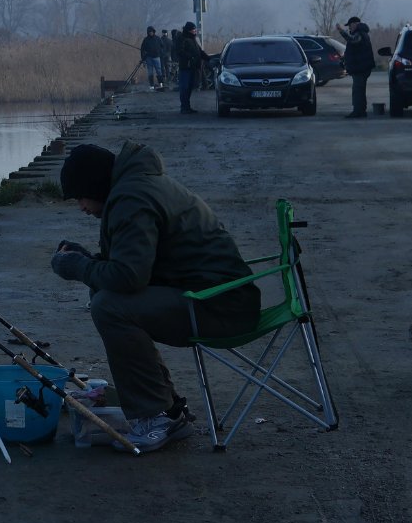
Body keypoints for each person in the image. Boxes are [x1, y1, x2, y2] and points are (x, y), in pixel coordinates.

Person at [49, 142, 261, 452]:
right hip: (216, 295)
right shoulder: (135, 186)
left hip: (221, 306)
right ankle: (168, 410)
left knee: (109, 307)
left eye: (80, 197)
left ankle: (156, 416)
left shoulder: (130, 199)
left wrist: (79, 267)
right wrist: (89, 260)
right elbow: (133, 265)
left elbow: (128, 278)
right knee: (107, 296)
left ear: (95, 186)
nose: (81, 207)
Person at [336, 16, 374, 118]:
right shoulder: (362, 34)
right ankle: (361, 111)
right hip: (361, 67)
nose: (349, 28)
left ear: (355, 24)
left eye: (350, 26)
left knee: (357, 91)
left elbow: (352, 40)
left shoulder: (360, 34)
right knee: (360, 91)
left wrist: (341, 31)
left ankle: (358, 112)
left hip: (361, 68)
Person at [174, 21, 209, 114]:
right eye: (194, 29)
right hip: (185, 67)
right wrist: (190, 57)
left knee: (189, 87)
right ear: (189, 30)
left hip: (193, 67)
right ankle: (184, 107)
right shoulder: (181, 38)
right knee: (184, 87)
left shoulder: (193, 39)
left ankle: (187, 107)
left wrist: (208, 58)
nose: (195, 31)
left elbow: (199, 51)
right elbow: (180, 51)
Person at [139, 26, 164, 91]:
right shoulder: (145, 40)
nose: (151, 33)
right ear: (148, 32)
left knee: (159, 71)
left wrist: (160, 53)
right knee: (150, 72)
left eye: (152, 32)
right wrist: (143, 59)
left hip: (157, 57)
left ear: (154, 32)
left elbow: (162, 46)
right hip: (148, 58)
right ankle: (151, 86)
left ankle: (161, 84)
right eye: (150, 32)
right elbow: (142, 50)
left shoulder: (158, 38)